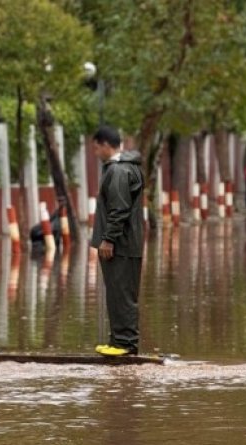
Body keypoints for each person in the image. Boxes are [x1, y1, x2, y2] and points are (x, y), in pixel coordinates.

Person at [91, 126, 145, 357]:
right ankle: (118, 341)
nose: (94, 152)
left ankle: (126, 344)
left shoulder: (120, 172)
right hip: (124, 244)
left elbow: (119, 209)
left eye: (95, 147)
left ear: (105, 145)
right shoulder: (120, 168)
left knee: (122, 294)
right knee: (117, 292)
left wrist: (108, 239)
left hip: (121, 245)